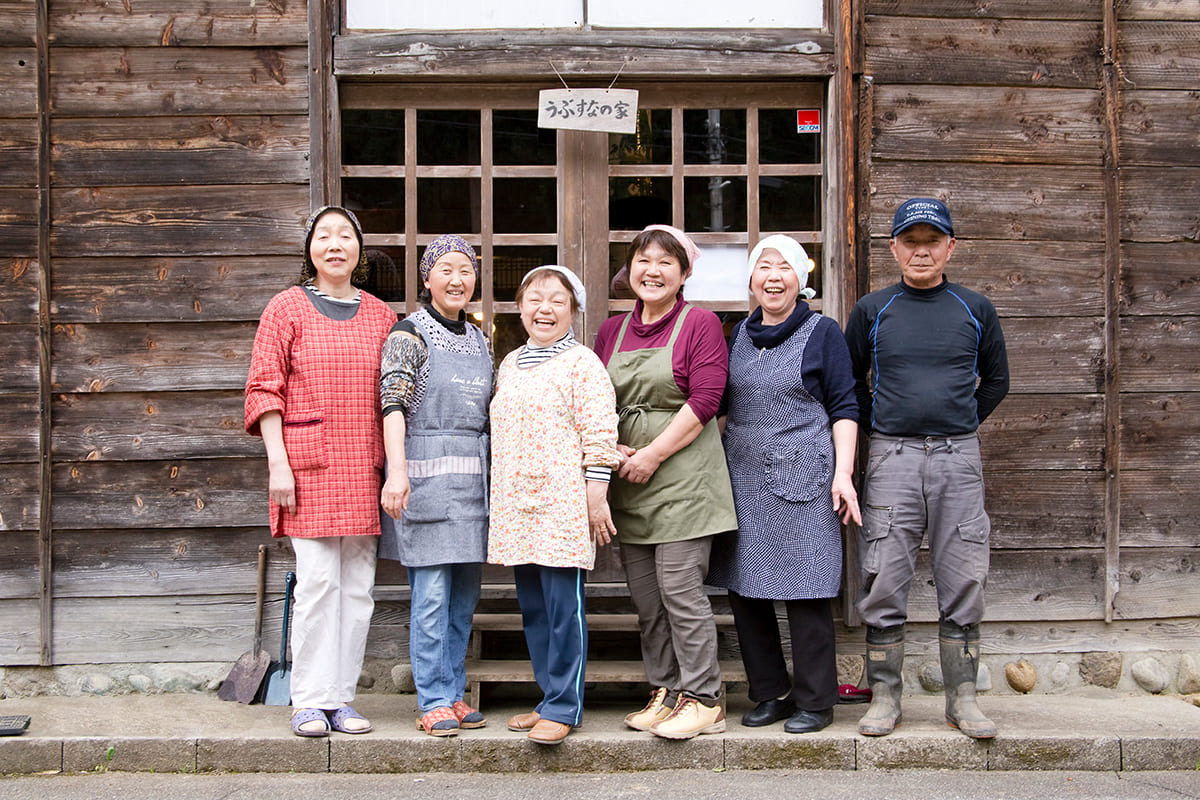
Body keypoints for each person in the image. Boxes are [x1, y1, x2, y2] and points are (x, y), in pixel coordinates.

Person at [844, 198, 1010, 739]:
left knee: (964, 570)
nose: (921, 251)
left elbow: (997, 381)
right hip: (892, 456)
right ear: (894, 248)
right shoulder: (873, 309)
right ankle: (886, 695)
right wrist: (886, 429)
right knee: (885, 571)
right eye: (910, 242)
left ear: (949, 247)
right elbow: (851, 385)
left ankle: (962, 696)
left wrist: (958, 424)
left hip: (959, 457)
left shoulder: (974, 307)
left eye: (931, 241)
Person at [245, 205, 397, 737]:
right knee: (316, 583)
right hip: (305, 466)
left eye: (346, 236)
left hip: (363, 464)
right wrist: (277, 464)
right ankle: (308, 699)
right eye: (324, 235)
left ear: (360, 250)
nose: (335, 245)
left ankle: (341, 698)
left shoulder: (380, 315)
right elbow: (265, 388)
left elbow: (393, 398)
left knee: (357, 588)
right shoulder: (285, 309)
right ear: (310, 247)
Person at [708, 234, 862, 735]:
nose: (773, 277)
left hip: (803, 478)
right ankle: (769, 693)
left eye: (785, 268)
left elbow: (844, 406)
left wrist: (844, 473)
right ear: (751, 279)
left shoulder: (823, 332)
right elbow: (724, 412)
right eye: (764, 268)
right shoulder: (736, 334)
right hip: (744, 476)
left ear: (801, 278)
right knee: (747, 591)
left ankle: (816, 700)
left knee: (806, 590)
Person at [594, 224, 738, 740]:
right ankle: (667, 691)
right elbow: (596, 403)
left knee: (680, 591)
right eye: (643, 260)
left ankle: (705, 698)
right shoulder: (611, 330)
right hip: (630, 479)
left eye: (665, 263)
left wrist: (653, 454)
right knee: (648, 599)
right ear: (629, 268)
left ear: (683, 274)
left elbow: (706, 400)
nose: (652, 271)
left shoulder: (699, 324)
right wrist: (609, 449)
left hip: (684, 476)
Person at [489, 266, 621, 746]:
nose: (545, 309)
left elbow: (601, 434)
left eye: (557, 301)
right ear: (521, 306)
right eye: (535, 299)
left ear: (573, 311)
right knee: (535, 609)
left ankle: (566, 704)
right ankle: (547, 697)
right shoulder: (508, 363)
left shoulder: (583, 363)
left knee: (564, 608)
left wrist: (596, 495)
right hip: (517, 505)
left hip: (562, 504)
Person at [378, 234, 492, 738]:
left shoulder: (480, 338)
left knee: (463, 598)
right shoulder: (409, 333)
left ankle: (454, 690)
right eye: (445, 269)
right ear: (427, 278)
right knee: (430, 597)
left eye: (465, 270)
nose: (456, 279)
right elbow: (393, 406)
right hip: (423, 478)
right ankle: (432, 699)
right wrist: (397, 471)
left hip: (471, 486)